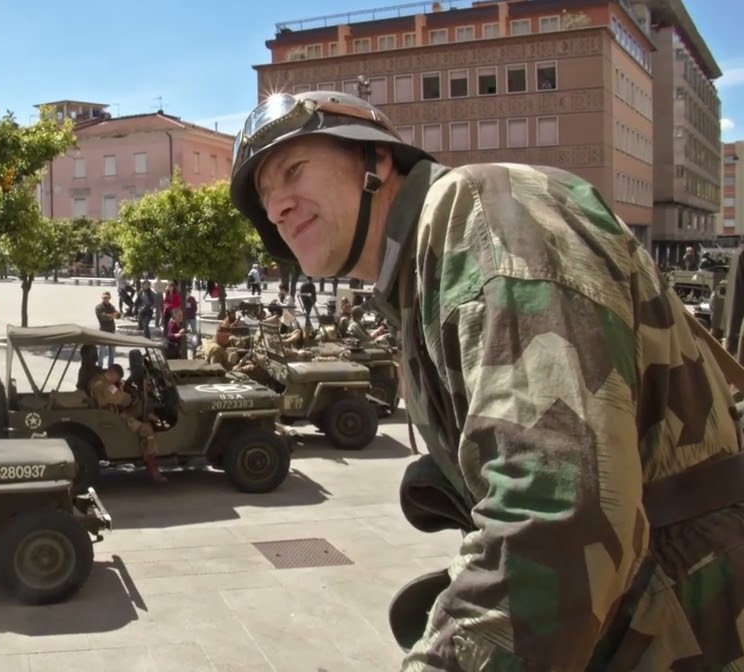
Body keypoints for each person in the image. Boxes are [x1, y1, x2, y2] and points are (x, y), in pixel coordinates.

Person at [228, 89, 744, 669]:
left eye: (293, 171)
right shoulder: (420, 264)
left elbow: (556, 512)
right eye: (266, 199)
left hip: (687, 618)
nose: (277, 207)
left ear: (376, 161)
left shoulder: (483, 214)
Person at [89, 364, 166, 483]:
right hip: (115, 416)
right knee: (147, 430)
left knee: (142, 407)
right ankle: (153, 469)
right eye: (117, 378)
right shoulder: (103, 386)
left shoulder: (99, 379)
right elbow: (123, 400)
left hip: (113, 412)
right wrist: (131, 396)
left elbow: (116, 393)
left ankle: (152, 416)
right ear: (113, 375)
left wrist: (123, 387)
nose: (118, 381)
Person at [94, 291, 120, 366]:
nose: (105, 299)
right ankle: (100, 367)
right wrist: (112, 315)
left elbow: (118, 315)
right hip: (103, 330)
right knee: (102, 351)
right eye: (104, 297)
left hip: (111, 330)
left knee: (112, 351)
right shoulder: (99, 307)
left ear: (109, 298)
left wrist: (115, 315)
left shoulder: (111, 307)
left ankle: (110, 367)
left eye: (107, 297)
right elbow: (103, 317)